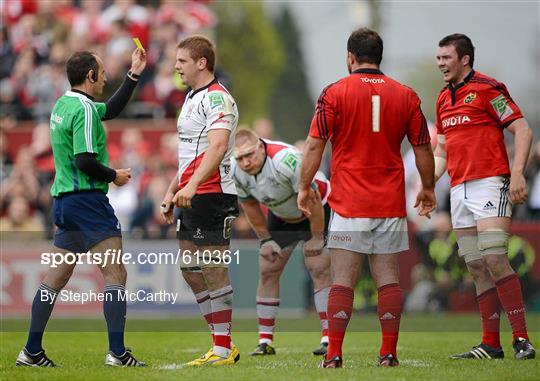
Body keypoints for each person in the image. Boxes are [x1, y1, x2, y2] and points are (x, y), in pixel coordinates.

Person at [298, 28, 436, 368]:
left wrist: (304, 187)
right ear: (380, 56)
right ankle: (388, 353)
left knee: (342, 278)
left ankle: (333, 356)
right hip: (389, 201)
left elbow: (315, 146)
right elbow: (423, 149)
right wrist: (428, 187)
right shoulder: (406, 95)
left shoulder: (334, 93)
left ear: (350, 57)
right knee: (388, 277)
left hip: (349, 201)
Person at [16, 48, 147, 367]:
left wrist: (133, 75)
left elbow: (111, 110)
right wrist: (114, 175)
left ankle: (31, 351)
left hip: (64, 202)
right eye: (102, 72)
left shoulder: (65, 104)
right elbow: (85, 160)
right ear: (90, 75)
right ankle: (117, 352)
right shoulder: (85, 111)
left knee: (55, 277)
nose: (105, 76)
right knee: (115, 272)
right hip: (87, 201)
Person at [433, 33, 535, 360]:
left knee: (494, 258)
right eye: (438, 58)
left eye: (446, 57)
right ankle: (491, 343)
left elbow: (523, 129)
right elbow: (442, 151)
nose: (440, 63)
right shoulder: (442, 99)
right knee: (475, 265)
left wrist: (517, 172)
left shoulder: (489, 89)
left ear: (464, 59)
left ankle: (522, 339)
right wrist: (426, 185)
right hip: (458, 190)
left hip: (489, 183)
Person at [160, 35, 240, 366]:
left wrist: (191, 186)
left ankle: (223, 349)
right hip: (191, 192)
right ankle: (221, 344)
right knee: (190, 269)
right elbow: (190, 153)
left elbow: (217, 148)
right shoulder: (192, 97)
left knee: (212, 267)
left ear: (201, 63)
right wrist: (171, 190)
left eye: (181, 61)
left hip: (213, 193)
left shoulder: (218, 99)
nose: (176, 66)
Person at [232, 129, 332, 356]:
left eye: (250, 155)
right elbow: (249, 205)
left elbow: (312, 199)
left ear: (260, 146)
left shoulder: (286, 160)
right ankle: (265, 342)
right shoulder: (235, 170)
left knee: (317, 267)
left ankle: (329, 338)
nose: (246, 162)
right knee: (268, 268)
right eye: (240, 158)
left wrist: (316, 238)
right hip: (282, 214)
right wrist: (266, 239)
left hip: (315, 208)